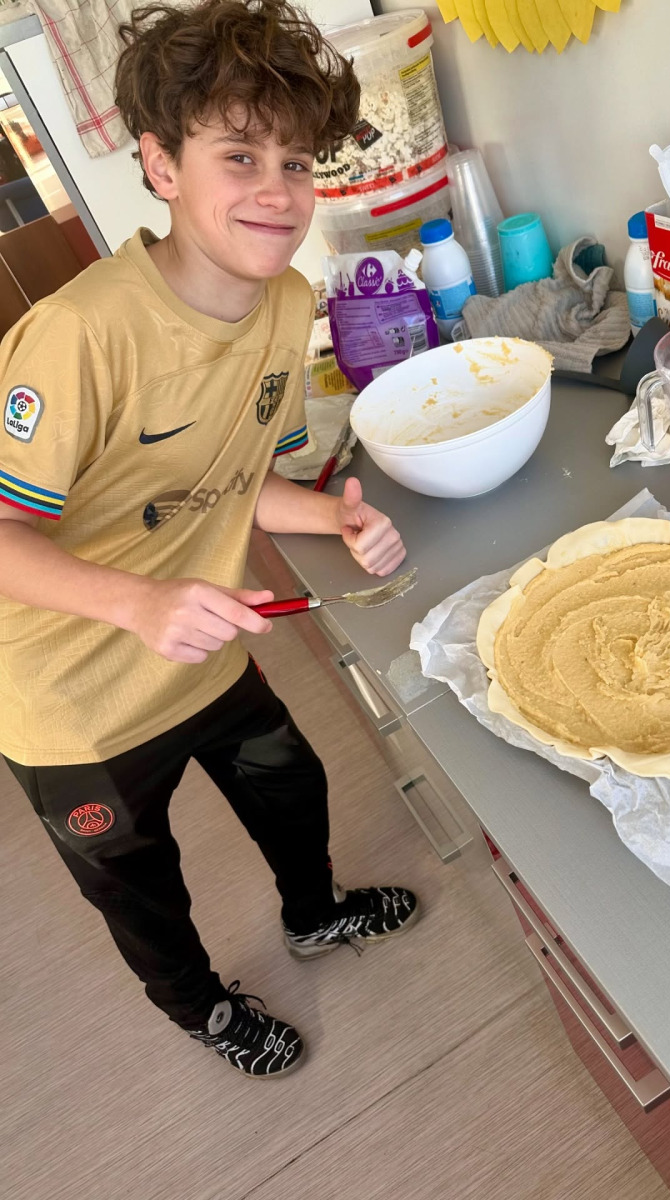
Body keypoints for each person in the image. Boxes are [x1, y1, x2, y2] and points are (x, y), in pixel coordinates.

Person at [0, 0, 420, 1080]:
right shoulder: (80, 334)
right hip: (70, 698)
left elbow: (231, 480)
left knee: (293, 785)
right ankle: (203, 1013)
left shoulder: (285, 302)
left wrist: (335, 512)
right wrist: (139, 604)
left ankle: (315, 913)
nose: (275, 189)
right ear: (160, 164)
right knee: (139, 886)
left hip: (201, 647)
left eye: (294, 159)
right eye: (239, 153)